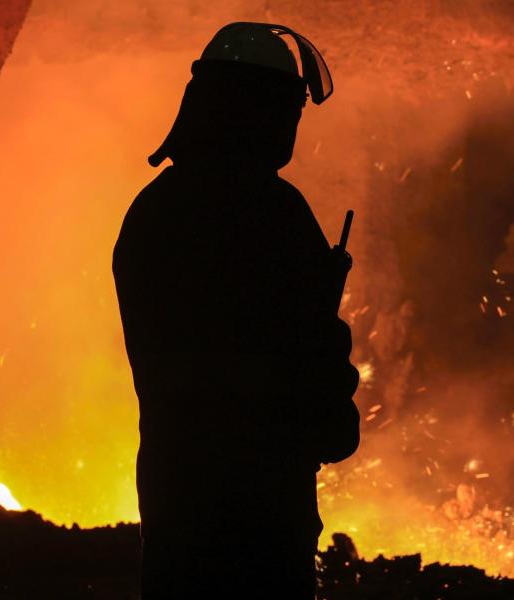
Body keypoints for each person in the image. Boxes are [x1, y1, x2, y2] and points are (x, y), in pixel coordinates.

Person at [112, 22, 360, 599]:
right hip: (262, 511)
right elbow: (292, 358)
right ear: (257, 110)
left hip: (178, 500)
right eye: (287, 110)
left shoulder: (155, 209)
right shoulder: (271, 211)